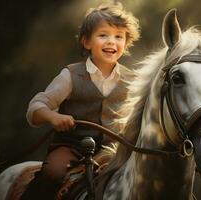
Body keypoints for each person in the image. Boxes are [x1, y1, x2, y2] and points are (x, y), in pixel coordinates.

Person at [22, 2, 140, 199]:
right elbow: (35, 107)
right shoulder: (71, 75)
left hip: (113, 151)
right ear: (86, 42)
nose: (111, 41)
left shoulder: (132, 81)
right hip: (72, 148)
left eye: (118, 36)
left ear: (126, 44)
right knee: (52, 174)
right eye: (103, 35)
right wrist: (52, 117)